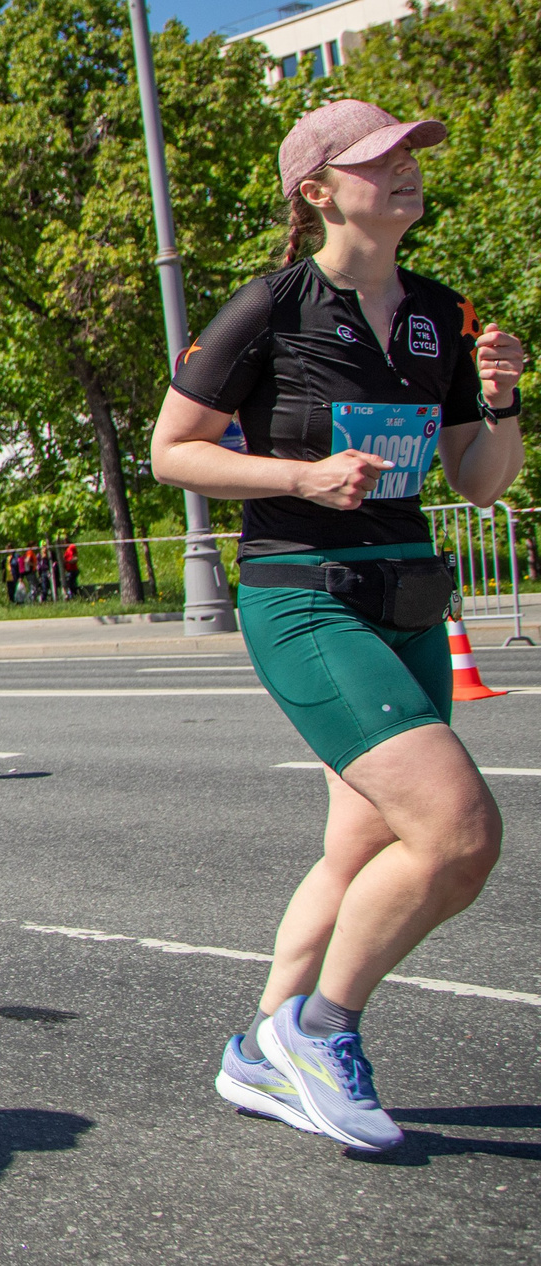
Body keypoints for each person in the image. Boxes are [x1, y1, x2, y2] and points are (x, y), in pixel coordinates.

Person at [150, 99, 521, 1154]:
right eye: (378, 159)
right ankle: (318, 1026)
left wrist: (499, 399)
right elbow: (173, 451)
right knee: (455, 830)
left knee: (361, 840)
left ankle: (262, 1050)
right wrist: (300, 473)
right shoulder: (267, 307)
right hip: (303, 590)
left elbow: (480, 484)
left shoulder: (437, 315)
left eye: (409, 154)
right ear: (316, 191)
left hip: (405, 594)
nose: (404, 169)